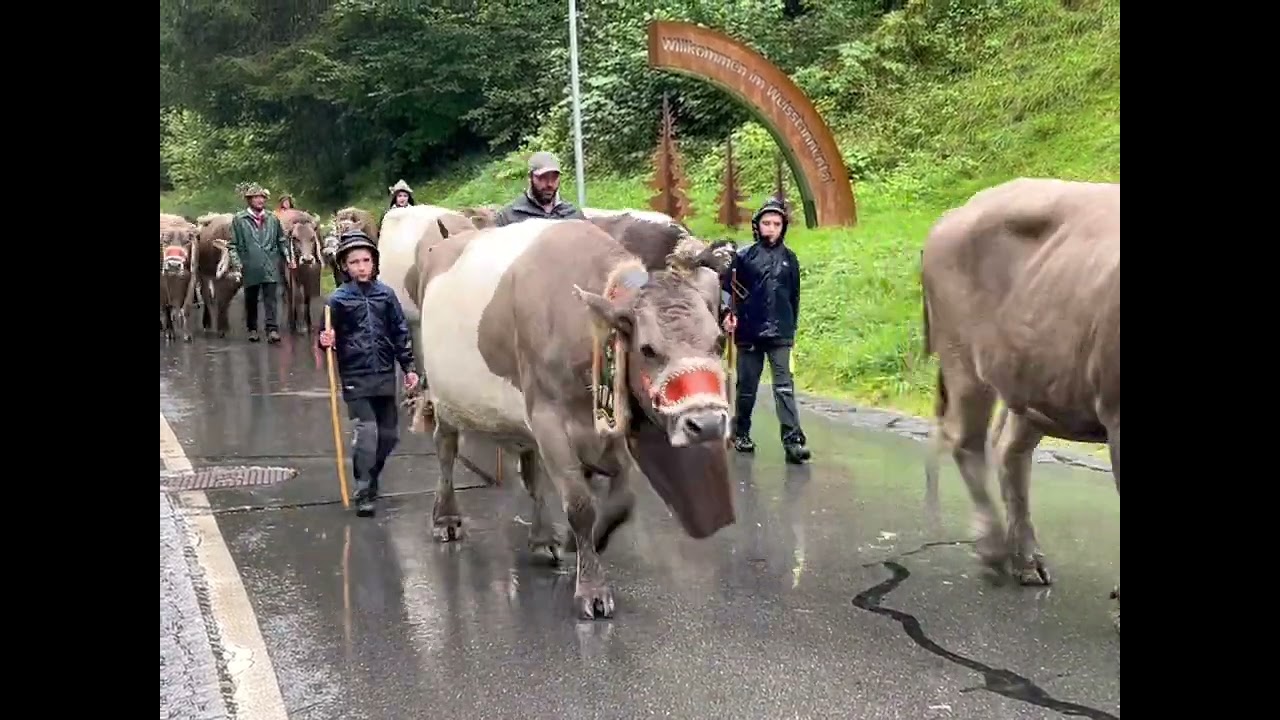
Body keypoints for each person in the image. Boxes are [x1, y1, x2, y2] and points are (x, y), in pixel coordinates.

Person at [318, 230, 419, 517]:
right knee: (367, 431)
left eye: (366, 260)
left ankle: (371, 475)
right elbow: (325, 335)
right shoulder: (337, 300)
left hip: (385, 373)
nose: (361, 267)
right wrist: (325, 340)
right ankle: (364, 488)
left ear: (374, 263)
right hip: (356, 375)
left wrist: (409, 368)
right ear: (344, 267)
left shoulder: (385, 295)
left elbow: (400, 332)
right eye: (354, 262)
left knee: (388, 436)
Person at [720, 198, 812, 464]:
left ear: (783, 227)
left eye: (777, 224)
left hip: (781, 333)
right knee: (747, 388)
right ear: (757, 225)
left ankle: (793, 441)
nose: (771, 228)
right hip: (748, 331)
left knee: (784, 388)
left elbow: (794, 296)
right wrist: (728, 313)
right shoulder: (743, 257)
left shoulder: (790, 259)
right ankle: (741, 432)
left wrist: (791, 330)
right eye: (766, 223)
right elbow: (727, 291)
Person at [228, 185, 293, 343]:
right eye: (256, 197)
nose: (259, 200)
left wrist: (288, 257)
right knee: (251, 298)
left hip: (270, 262)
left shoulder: (272, 218)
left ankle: (272, 330)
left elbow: (281, 240)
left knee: (271, 297)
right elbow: (232, 245)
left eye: (262, 197)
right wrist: (237, 263)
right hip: (250, 264)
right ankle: (252, 329)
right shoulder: (239, 219)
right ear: (249, 200)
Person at [492, 151, 586, 226]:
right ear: (530, 177)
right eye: (543, 177)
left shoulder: (573, 215)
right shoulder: (508, 217)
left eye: (554, 177)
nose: (549, 184)